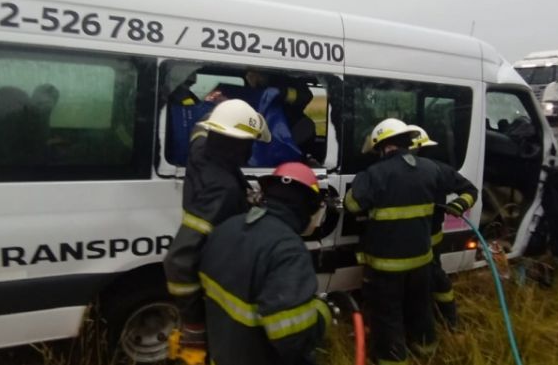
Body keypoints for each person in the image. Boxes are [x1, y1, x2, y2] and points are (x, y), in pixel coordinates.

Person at [199, 162, 331, 365]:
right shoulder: (288, 250)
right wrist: (322, 314)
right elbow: (294, 338)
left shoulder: (226, 227)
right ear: (308, 207)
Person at [164, 99, 271, 349]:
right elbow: (178, 260)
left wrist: (220, 108)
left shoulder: (202, 148)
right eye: (250, 142)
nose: (251, 150)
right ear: (240, 145)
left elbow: (200, 129)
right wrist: (193, 322)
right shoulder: (223, 190)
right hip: (213, 273)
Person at [344, 118, 439, 364]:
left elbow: (353, 205)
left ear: (384, 147)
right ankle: (427, 352)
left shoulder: (375, 173)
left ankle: (393, 359)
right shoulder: (429, 168)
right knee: (420, 309)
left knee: (388, 316)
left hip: (387, 265)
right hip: (422, 260)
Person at [407, 124, 478, 331]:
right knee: (432, 278)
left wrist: (458, 205)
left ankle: (448, 320)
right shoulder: (435, 168)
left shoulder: (437, 169)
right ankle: (445, 319)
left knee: (433, 278)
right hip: (423, 238)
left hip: (427, 239)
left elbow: (469, 190)